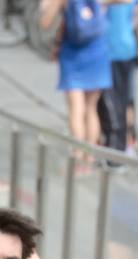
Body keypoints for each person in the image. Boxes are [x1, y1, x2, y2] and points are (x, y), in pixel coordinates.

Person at [38, 0, 113, 153]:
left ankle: (78, 156)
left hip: (73, 55)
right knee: (91, 108)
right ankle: (89, 156)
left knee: (76, 109)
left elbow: (44, 23)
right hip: (98, 52)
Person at [96, 0, 138, 156]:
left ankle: (119, 143)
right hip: (125, 49)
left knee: (108, 102)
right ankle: (126, 142)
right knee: (124, 100)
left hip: (109, 50)